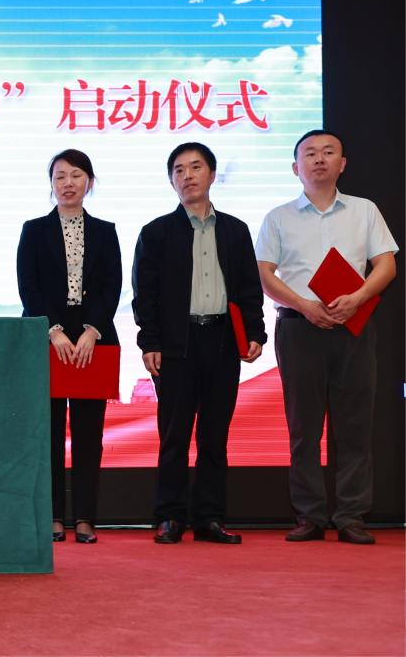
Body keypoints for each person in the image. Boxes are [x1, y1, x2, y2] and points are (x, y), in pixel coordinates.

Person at [255, 129, 398, 545]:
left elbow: (386, 265)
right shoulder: (278, 217)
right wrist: (304, 305)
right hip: (298, 328)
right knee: (303, 426)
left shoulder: (364, 210)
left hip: (353, 326)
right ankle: (310, 515)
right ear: (295, 167)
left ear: (342, 163)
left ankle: (351, 515)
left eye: (328, 152)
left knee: (355, 424)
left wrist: (357, 298)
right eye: (310, 154)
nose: (319, 159)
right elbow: (265, 273)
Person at [132, 142, 265, 545]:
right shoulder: (156, 232)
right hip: (177, 345)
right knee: (174, 435)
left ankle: (209, 517)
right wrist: (149, 341)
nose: (187, 176)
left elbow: (249, 288)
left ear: (212, 174)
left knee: (214, 435)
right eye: (179, 170)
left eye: (195, 167)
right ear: (171, 180)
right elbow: (145, 295)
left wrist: (255, 333)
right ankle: (170, 516)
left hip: (222, 342)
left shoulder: (235, 230)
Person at [16, 149, 121, 544]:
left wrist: (92, 330)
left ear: (89, 182)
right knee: (49, 432)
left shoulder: (105, 231)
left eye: (76, 175)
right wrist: (54, 331)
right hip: (46, 335)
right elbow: (29, 286)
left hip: (93, 337)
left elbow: (112, 284)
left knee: (89, 432)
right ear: (52, 184)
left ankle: (86, 517)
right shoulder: (33, 230)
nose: (68, 183)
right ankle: (54, 515)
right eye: (60, 176)